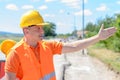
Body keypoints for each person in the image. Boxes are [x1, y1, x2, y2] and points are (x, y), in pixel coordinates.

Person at [4, 10, 116, 80]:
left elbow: (74, 46)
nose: (42, 31)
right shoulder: (15, 53)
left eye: (42, 28)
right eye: (38, 28)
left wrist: (98, 37)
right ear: (26, 31)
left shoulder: (48, 46)